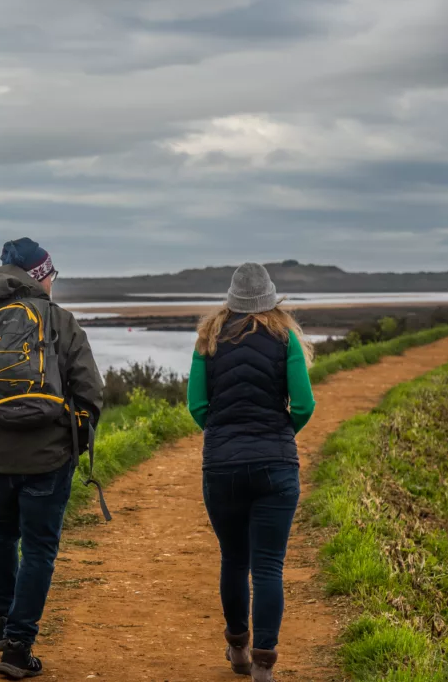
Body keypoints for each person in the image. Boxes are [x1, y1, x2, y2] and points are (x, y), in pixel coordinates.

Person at [0, 237, 104, 680]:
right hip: (49, 457)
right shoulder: (60, 321)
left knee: (1, 533)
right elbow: (90, 391)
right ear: (40, 275)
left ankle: (2, 625)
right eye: (52, 274)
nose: (53, 281)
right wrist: (73, 442)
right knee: (38, 549)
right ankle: (17, 646)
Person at [187, 263, 316, 682]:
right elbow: (303, 405)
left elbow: (196, 406)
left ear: (231, 300)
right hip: (276, 466)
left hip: (221, 467)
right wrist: (279, 435)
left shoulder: (208, 338)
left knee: (233, 559)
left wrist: (224, 437)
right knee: (268, 566)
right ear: (271, 299)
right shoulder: (286, 338)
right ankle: (264, 663)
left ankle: (237, 648)